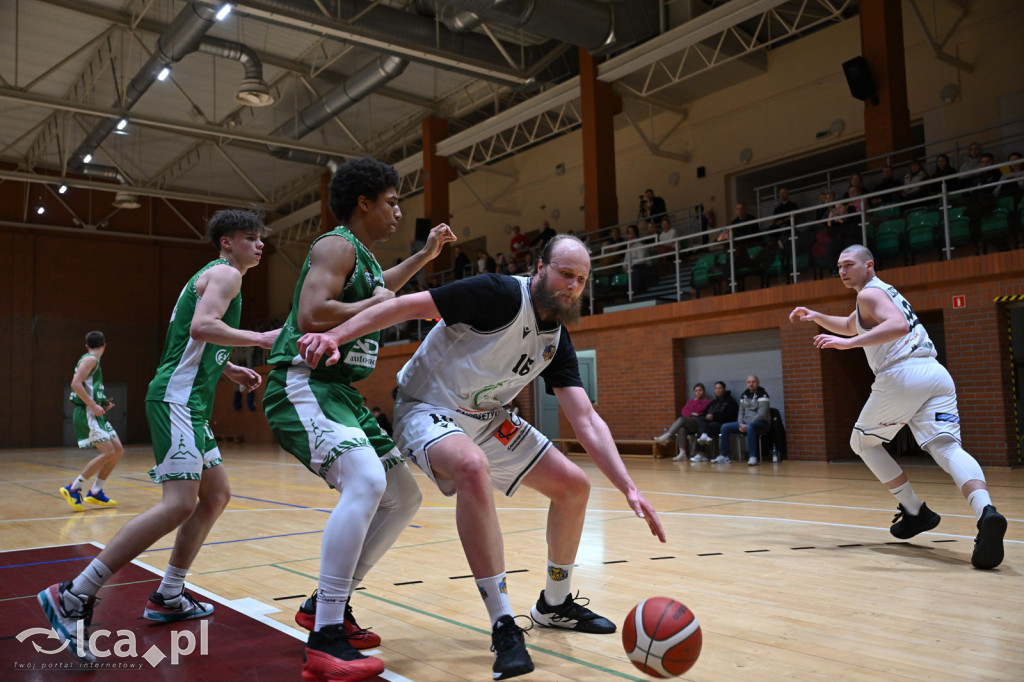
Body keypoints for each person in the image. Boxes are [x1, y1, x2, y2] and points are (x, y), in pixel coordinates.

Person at [297, 234, 666, 680]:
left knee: (574, 487)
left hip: (487, 417)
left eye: (581, 279)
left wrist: (628, 486)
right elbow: (405, 306)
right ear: (540, 268)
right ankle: (503, 624)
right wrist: (335, 334)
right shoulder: (497, 293)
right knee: (472, 467)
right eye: (565, 274)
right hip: (426, 407)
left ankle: (555, 603)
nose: (572, 286)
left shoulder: (556, 338)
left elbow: (585, 419)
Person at [38, 209, 279, 664]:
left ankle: (169, 595)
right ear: (226, 242)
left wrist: (225, 368)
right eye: (250, 238)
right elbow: (200, 328)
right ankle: (73, 594)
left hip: (191, 399)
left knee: (215, 495)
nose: (260, 245)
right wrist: (262, 339)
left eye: (261, 238)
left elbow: (193, 339)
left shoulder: (214, 276)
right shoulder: (226, 274)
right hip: (177, 400)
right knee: (179, 503)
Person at [262, 156, 456, 680]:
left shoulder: (363, 258)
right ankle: (324, 636)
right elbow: (312, 314)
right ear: (364, 202)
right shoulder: (336, 244)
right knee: (368, 483)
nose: (399, 210)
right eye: (392, 201)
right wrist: (385, 305)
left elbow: (381, 289)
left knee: (405, 496)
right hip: (302, 382)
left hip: (340, 392)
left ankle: (327, 604)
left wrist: (422, 257)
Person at [789, 244, 1006, 569]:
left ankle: (915, 510)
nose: (842, 271)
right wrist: (817, 316)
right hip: (934, 373)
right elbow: (852, 324)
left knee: (861, 442)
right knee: (946, 447)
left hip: (903, 374)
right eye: (838, 266)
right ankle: (986, 511)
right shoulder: (881, 293)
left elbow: (897, 326)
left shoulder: (869, 295)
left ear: (869, 265)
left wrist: (848, 345)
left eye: (848, 264)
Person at [61, 330, 124, 511]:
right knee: (108, 452)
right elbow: (75, 383)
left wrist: (101, 404)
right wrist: (92, 405)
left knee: (117, 450)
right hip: (87, 412)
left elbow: (88, 388)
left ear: (87, 345)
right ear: (104, 345)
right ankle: (73, 488)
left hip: (94, 411)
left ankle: (96, 492)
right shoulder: (90, 360)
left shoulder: (92, 361)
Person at [712, 375, 770, 466]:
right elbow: (741, 412)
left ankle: (753, 457)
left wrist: (747, 424)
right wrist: (740, 424)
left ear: (758, 383)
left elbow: (762, 414)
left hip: (761, 424)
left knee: (750, 427)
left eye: (753, 382)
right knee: (725, 427)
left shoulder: (763, 395)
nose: (751, 384)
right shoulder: (744, 395)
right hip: (745, 424)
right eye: (749, 382)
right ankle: (724, 455)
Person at [653, 383, 711, 461]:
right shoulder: (691, 401)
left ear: (703, 391)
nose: (698, 392)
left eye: (700, 390)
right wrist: (692, 413)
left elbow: (700, 410)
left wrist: (692, 411)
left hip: (700, 423)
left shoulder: (707, 402)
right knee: (681, 429)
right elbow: (684, 411)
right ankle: (682, 453)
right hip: (690, 422)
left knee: (681, 419)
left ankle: (667, 436)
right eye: (696, 391)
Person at [691, 381, 738, 461]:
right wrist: (706, 416)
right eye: (716, 388)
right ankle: (704, 437)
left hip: (722, 424)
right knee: (701, 420)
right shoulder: (713, 402)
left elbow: (731, 416)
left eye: (720, 388)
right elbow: (705, 412)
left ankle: (701, 453)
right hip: (711, 422)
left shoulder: (730, 401)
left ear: (724, 389)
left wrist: (714, 417)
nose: (718, 390)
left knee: (703, 429)